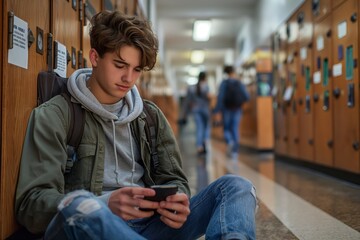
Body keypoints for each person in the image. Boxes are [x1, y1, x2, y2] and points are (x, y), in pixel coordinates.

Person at [15, 11, 257, 240]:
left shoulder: (150, 115)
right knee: (80, 203)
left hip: (149, 225)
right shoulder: (56, 114)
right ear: (95, 57)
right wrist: (105, 202)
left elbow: (173, 178)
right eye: (120, 65)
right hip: (91, 224)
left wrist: (178, 201)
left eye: (136, 70)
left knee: (236, 186)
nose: (128, 78)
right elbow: (31, 204)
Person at [213, 66, 249, 158]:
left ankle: (229, 142)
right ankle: (235, 151)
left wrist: (217, 110)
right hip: (237, 109)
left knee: (226, 129)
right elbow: (247, 96)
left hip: (226, 109)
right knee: (235, 129)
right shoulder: (239, 83)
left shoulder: (224, 83)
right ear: (233, 72)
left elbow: (220, 98)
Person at [183, 71, 211, 155]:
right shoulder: (206, 86)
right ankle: (205, 141)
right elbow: (209, 98)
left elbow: (188, 101)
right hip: (205, 110)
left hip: (195, 110)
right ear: (205, 78)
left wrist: (185, 113)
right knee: (206, 127)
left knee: (199, 127)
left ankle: (199, 147)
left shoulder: (192, 88)